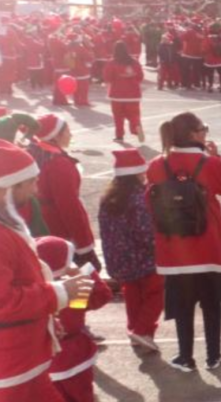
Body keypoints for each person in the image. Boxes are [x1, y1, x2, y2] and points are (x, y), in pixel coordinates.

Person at [0, 140, 94, 402]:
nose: (36, 189)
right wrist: (60, 292)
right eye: (30, 182)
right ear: (8, 187)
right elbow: (4, 302)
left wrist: (47, 323)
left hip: (22, 361)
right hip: (13, 365)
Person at [147, 112, 221, 372]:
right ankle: (213, 356)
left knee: (183, 307)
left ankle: (185, 356)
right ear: (192, 134)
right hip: (209, 246)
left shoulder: (156, 164)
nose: (205, 133)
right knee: (212, 305)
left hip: (174, 250)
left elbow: (149, 203)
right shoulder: (209, 163)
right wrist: (216, 156)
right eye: (203, 129)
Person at [98, 149, 163, 352]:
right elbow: (146, 232)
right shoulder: (139, 198)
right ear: (136, 174)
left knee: (133, 297)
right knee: (157, 293)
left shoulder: (108, 199)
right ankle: (143, 331)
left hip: (119, 260)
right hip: (144, 259)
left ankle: (136, 333)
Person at [36, 236, 112, 402]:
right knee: (83, 395)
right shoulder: (74, 292)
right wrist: (86, 272)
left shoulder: (37, 294)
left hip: (48, 359)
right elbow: (102, 296)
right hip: (76, 355)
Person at [27, 114, 100, 271]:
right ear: (55, 136)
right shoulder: (59, 163)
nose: (71, 134)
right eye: (67, 131)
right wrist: (85, 246)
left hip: (39, 224)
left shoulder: (34, 153)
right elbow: (69, 207)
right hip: (61, 230)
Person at [103, 41, 145, 143]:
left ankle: (119, 135)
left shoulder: (112, 63)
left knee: (118, 117)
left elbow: (107, 78)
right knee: (134, 114)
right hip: (133, 94)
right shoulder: (134, 62)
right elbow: (140, 77)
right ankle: (136, 128)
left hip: (117, 94)